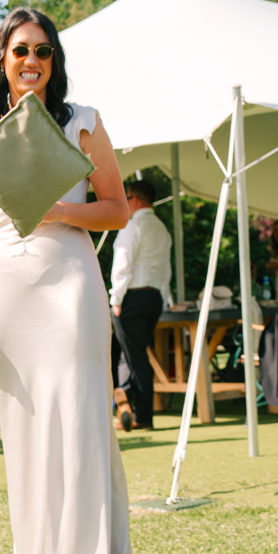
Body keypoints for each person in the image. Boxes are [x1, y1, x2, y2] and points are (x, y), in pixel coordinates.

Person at [0, 7, 140, 554]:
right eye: (20, 51)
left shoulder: (84, 123)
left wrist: (62, 212)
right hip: (7, 292)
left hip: (70, 285)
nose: (31, 61)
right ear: (2, 60)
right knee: (26, 434)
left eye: (43, 51)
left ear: (54, 62)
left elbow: (116, 209)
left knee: (81, 419)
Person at [108, 176, 170, 432]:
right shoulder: (162, 229)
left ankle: (142, 415)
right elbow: (165, 270)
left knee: (135, 355)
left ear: (134, 199)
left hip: (132, 297)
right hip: (154, 296)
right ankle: (126, 402)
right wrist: (163, 300)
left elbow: (123, 263)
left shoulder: (133, 227)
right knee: (131, 352)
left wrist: (116, 298)